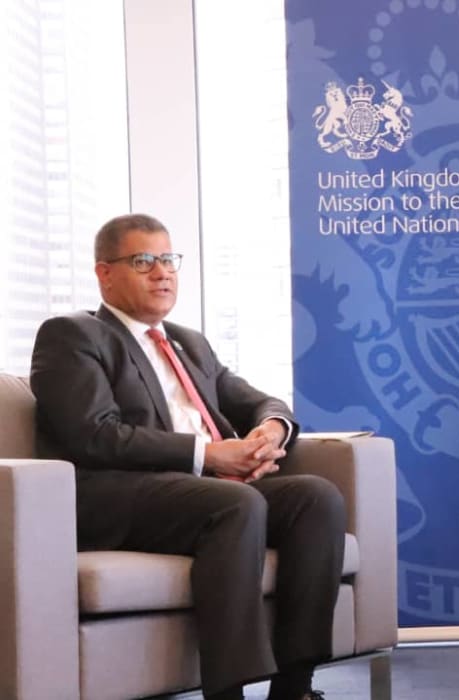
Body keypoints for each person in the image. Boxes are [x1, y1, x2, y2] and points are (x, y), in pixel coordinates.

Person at [30, 213, 346, 700]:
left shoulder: (188, 342)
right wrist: (210, 455)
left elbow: (257, 400)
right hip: (121, 494)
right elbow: (93, 435)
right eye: (143, 261)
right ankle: (229, 692)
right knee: (236, 504)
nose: (163, 272)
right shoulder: (73, 335)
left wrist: (270, 428)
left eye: (169, 259)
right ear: (104, 273)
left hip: (200, 492)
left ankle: (295, 686)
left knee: (316, 498)